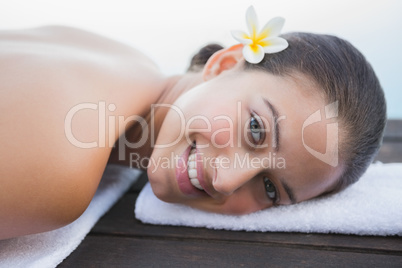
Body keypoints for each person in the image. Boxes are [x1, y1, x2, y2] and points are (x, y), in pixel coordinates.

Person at [0, 9, 386, 239]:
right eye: (256, 130)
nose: (226, 181)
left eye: (270, 188)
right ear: (222, 64)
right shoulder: (61, 171)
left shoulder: (129, 62)